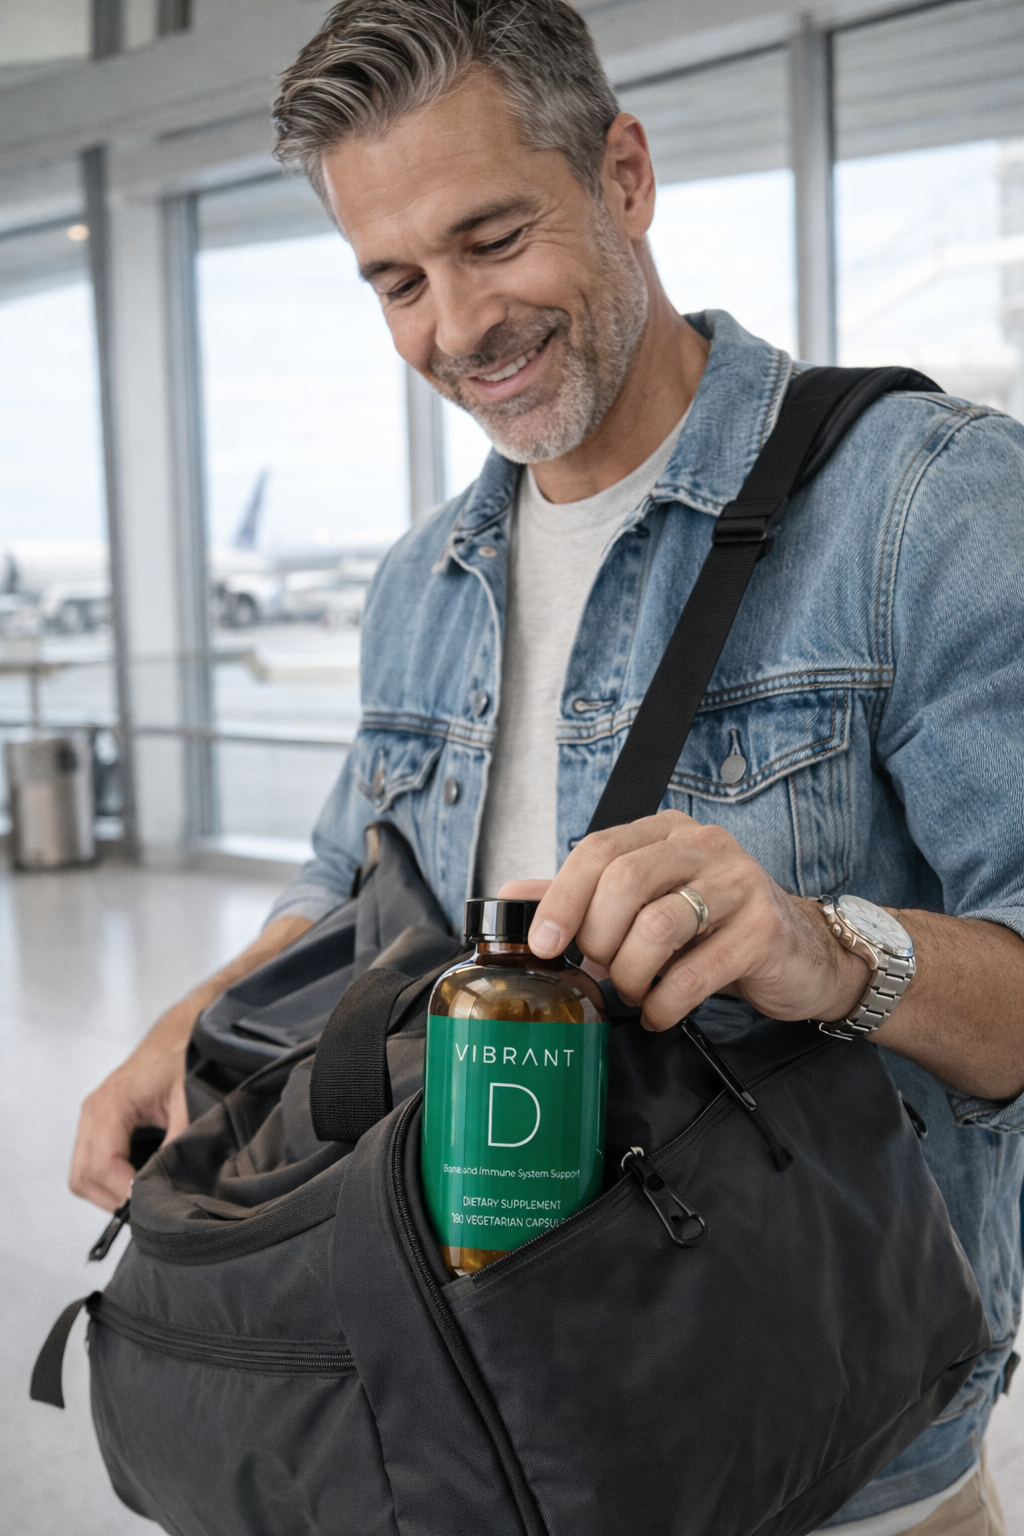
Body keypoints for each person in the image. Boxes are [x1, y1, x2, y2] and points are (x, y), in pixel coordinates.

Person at [70, 3, 1024, 1532]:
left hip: (823, 1469)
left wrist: (824, 949)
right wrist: (177, 1036)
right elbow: (347, 888)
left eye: (492, 237)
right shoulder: (419, 582)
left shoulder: (924, 508)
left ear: (624, 176)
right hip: (487, 1441)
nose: (454, 326)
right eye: (396, 279)